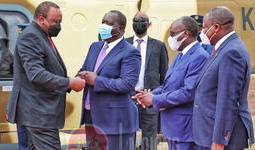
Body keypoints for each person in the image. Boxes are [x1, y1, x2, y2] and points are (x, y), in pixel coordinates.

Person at [6, 1, 85, 149]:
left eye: (60, 21)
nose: (58, 26)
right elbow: (36, 75)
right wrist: (70, 83)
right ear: (41, 18)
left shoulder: (41, 35)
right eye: (55, 21)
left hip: (37, 115)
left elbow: (48, 70)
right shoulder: (32, 36)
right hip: (39, 116)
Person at [133, 16, 209, 150]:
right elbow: (169, 85)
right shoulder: (181, 55)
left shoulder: (199, 56)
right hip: (175, 128)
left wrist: (155, 99)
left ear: (185, 33)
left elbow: (188, 92)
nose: (170, 37)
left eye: (173, 33)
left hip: (186, 129)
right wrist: (148, 95)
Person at [77, 10, 141, 150]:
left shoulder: (130, 52)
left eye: (108, 24)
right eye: (103, 22)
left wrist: (96, 80)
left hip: (114, 120)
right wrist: (80, 77)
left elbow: (127, 84)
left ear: (121, 28)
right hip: (91, 116)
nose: (103, 26)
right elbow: (84, 69)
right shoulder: (95, 46)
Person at [193, 6, 255, 150]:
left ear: (216, 27)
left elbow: (228, 101)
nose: (202, 32)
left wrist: (219, 141)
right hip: (212, 132)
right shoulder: (223, 48)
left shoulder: (231, 52)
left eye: (205, 27)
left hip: (225, 139)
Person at [126, 12, 168, 150]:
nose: (139, 22)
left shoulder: (158, 46)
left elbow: (164, 74)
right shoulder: (124, 44)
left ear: (149, 24)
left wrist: (161, 97)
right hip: (128, 97)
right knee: (126, 135)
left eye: (142, 20)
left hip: (149, 97)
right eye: (136, 20)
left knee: (149, 138)